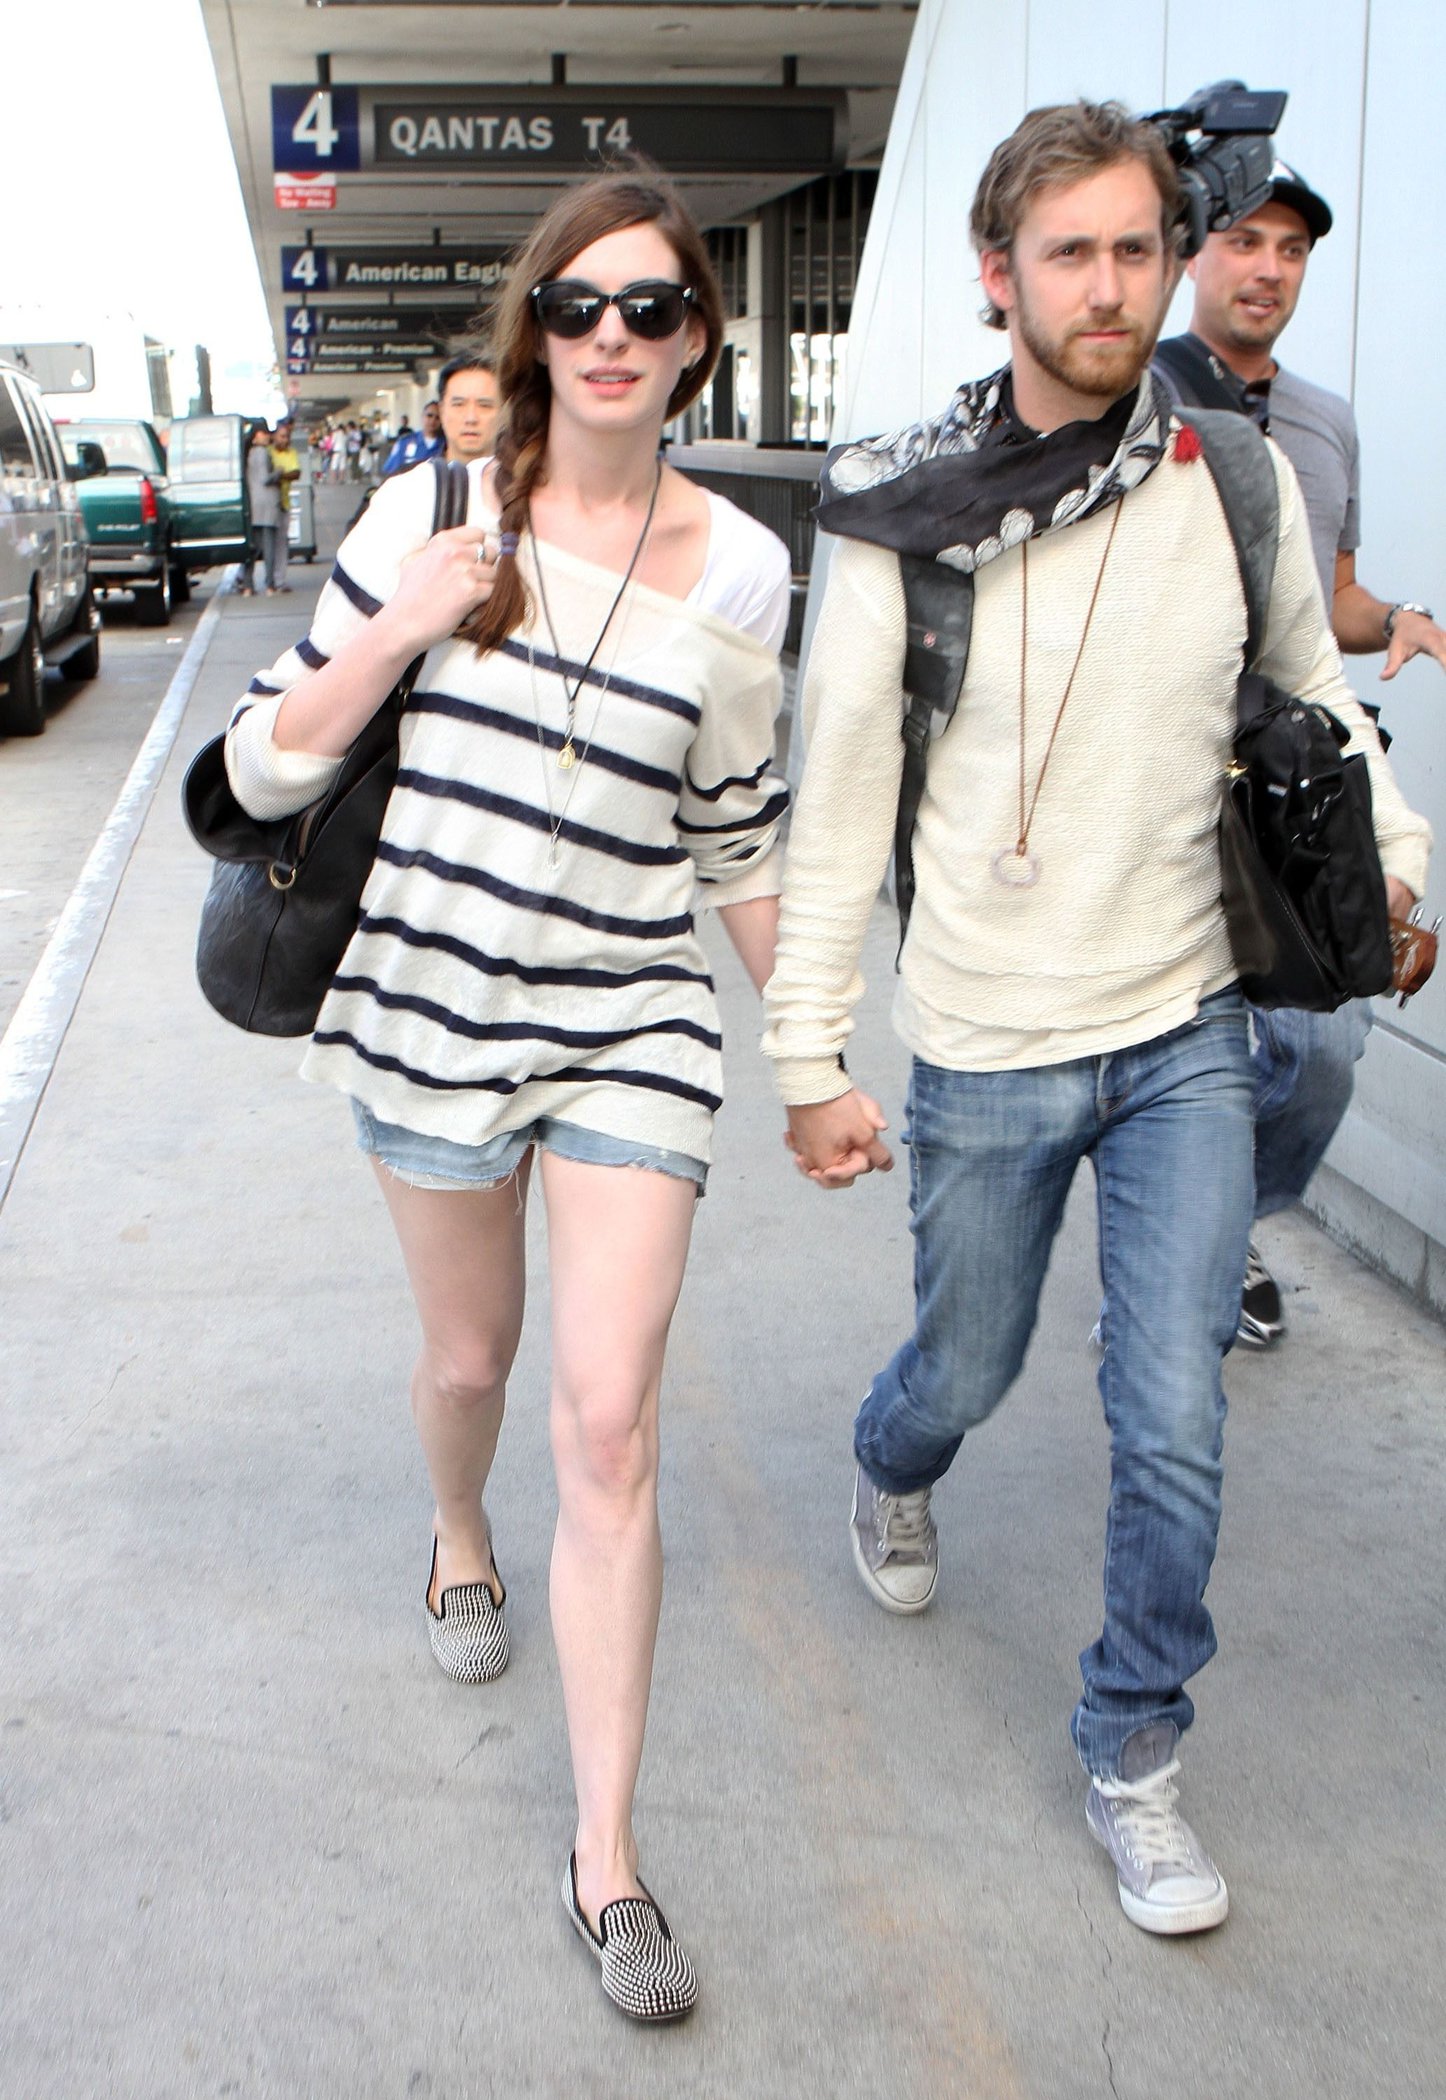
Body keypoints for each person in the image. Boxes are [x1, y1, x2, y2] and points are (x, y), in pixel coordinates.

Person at [761, 100, 1430, 1937]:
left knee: (1171, 1409)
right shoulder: (900, 512)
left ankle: (1134, 1744)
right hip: (982, 1035)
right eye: (1070, 252)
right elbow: (834, 798)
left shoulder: (1236, 477)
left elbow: (1309, 696)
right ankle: (892, 1467)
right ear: (999, 276)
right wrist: (809, 1056)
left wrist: (1391, 858)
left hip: (1182, 1025)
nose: (1111, 284)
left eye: (1139, 247)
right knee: (963, 1372)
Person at [224, 170, 791, 2019]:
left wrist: (818, 1050)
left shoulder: (747, 568)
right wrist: (411, 622)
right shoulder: (430, 510)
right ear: (530, 330)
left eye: (649, 308)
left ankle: (605, 1860)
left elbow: (736, 834)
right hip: (434, 1013)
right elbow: (263, 757)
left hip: (631, 1014)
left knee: (609, 1422)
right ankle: (459, 1535)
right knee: (472, 1368)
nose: (611, 338)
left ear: (698, 334)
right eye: (576, 306)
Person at [1154, 165, 1446, 1344]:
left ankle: (1218, 1229)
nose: (1268, 267)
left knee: (1327, 1042)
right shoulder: (1138, 405)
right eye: (1243, 240)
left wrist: (1406, 622)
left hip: (1303, 782)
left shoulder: (1326, 421)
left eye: (1290, 248)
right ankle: (1171, 1236)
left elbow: (1330, 601)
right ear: (1191, 256)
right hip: (1167, 772)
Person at [239, 422, 283, 595]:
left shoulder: (247, 453)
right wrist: (278, 472)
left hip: (253, 505)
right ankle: (270, 585)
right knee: (269, 546)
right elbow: (265, 478)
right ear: (257, 435)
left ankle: (248, 585)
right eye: (265, 433)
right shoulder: (263, 452)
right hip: (268, 504)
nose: (268, 436)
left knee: (252, 548)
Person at [438, 351, 501, 464]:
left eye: (484, 406)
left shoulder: (526, 480)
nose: (471, 418)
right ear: (442, 412)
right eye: (459, 404)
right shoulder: (408, 479)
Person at [267, 420, 301, 594]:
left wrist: (279, 476)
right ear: (273, 436)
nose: (285, 440)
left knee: (281, 544)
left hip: (284, 504)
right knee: (262, 544)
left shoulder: (291, 453)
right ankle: (243, 577)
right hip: (267, 506)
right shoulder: (267, 452)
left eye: (287, 437)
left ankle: (280, 580)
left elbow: (297, 473)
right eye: (281, 436)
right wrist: (282, 476)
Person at [383, 401, 443, 476]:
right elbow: (391, 471)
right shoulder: (405, 442)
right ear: (422, 416)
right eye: (429, 415)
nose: (433, 420)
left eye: (438, 418)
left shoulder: (446, 445)